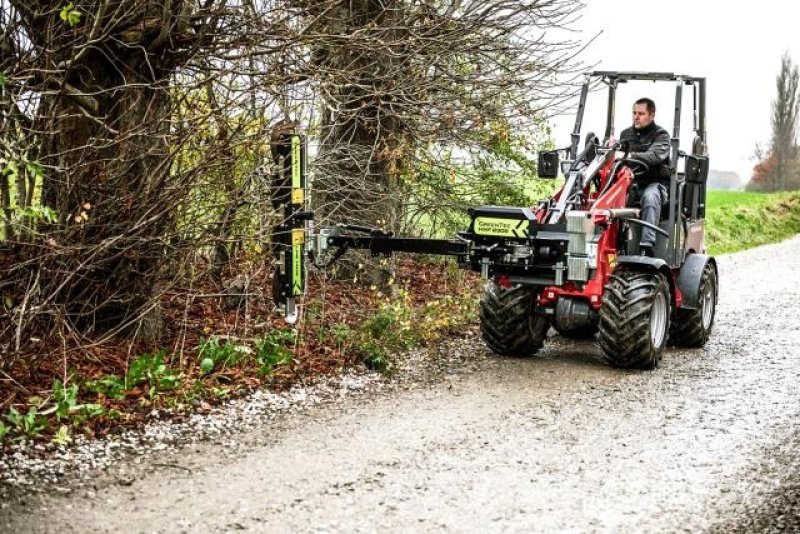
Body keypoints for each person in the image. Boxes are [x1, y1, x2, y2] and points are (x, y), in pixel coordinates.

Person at [618, 97, 671, 257]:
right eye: (634, 113)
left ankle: (646, 246)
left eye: (641, 113)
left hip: (657, 184)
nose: (636, 116)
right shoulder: (625, 134)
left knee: (650, 196)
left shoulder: (662, 136)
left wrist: (625, 155)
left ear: (652, 115)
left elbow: (653, 156)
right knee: (613, 196)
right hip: (632, 183)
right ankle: (616, 243)